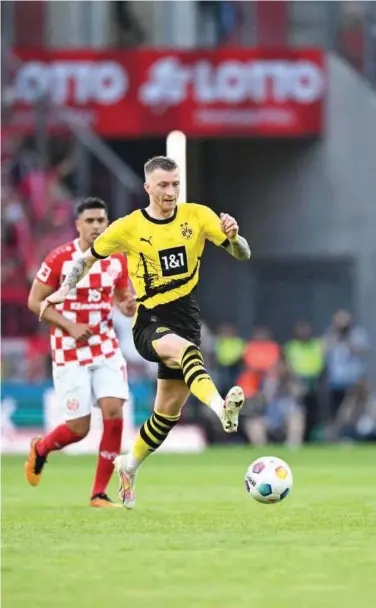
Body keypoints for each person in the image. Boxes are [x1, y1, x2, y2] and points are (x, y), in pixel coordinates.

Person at [39, 156, 251, 509]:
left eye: (175, 184)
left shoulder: (198, 216)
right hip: (149, 320)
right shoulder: (128, 227)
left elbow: (242, 254)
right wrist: (64, 289)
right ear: (148, 188)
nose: (170, 191)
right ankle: (221, 408)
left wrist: (235, 236)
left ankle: (128, 466)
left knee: (167, 413)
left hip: (187, 318)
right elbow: (87, 258)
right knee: (186, 353)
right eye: (163, 185)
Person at [25, 197, 136, 508]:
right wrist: (69, 326)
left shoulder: (116, 258)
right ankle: (42, 448)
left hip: (105, 345)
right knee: (79, 428)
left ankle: (98, 493)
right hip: (69, 349)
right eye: (90, 221)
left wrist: (128, 307)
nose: (97, 226)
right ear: (78, 225)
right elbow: (35, 302)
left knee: (114, 414)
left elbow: (122, 301)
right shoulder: (60, 259)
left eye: (102, 220)